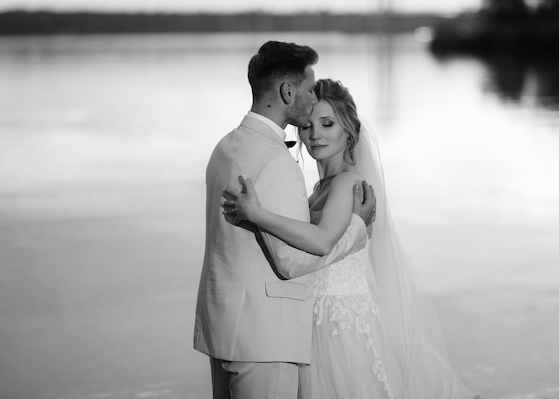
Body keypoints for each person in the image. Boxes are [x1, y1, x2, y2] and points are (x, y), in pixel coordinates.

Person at [223, 79, 468, 398]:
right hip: (319, 318)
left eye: (327, 124)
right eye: (308, 126)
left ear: (349, 131)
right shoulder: (320, 189)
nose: (315, 134)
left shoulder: (347, 184)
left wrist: (256, 213)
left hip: (341, 326)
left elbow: (321, 239)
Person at [194, 42, 377, 399]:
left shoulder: (225, 147)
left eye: (327, 123)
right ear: (287, 91)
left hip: (222, 326)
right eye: (309, 90)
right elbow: (292, 261)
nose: (311, 103)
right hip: (265, 337)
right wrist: (357, 228)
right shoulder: (276, 161)